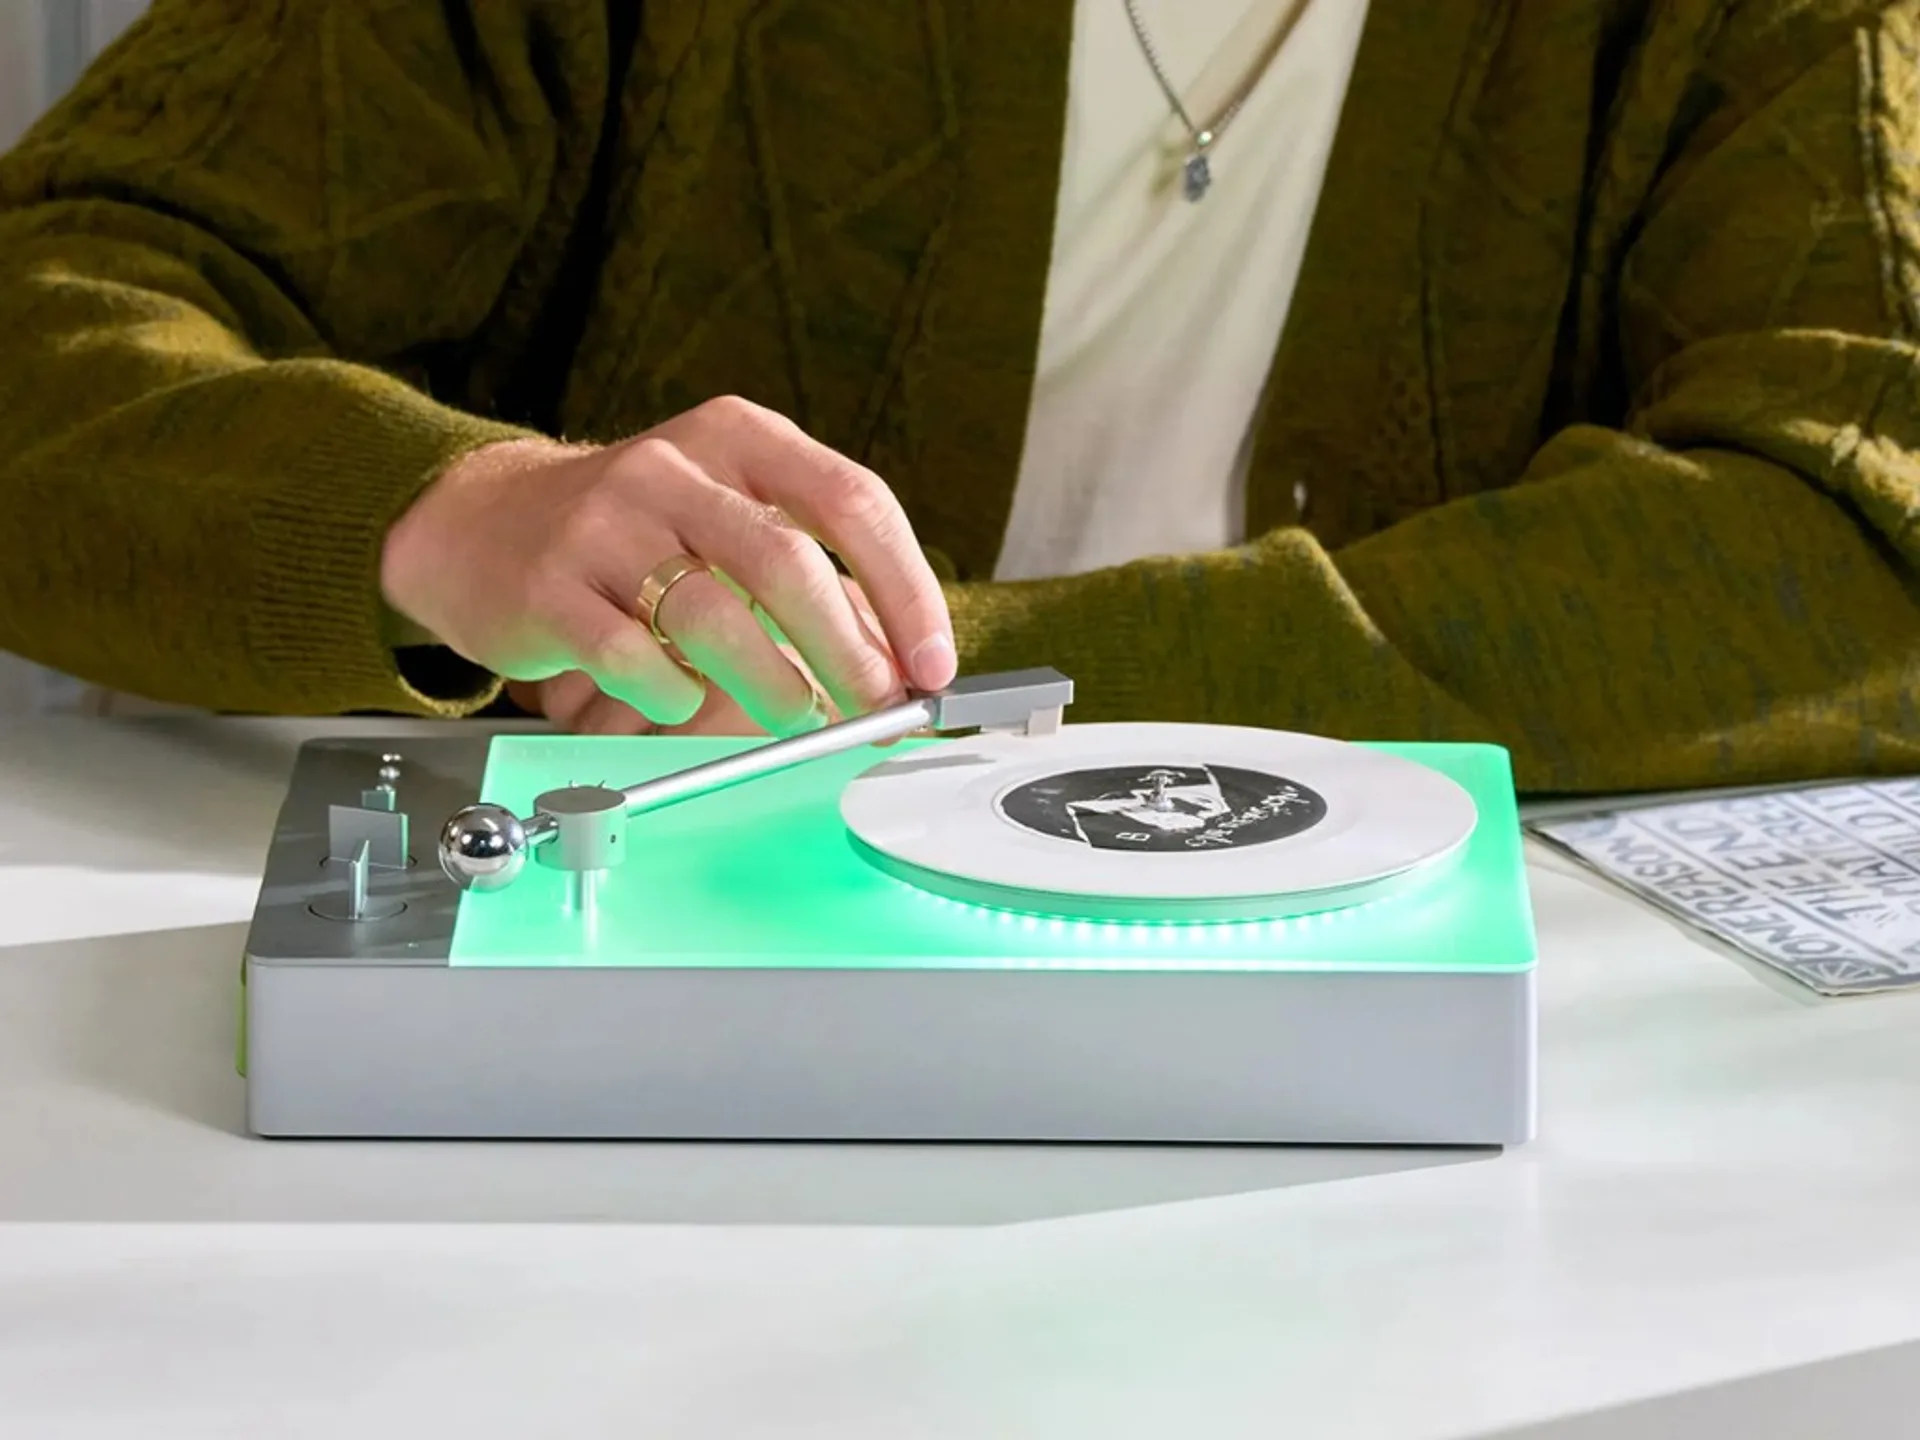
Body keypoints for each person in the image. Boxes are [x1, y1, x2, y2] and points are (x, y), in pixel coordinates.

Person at [0, 0, 1914, 795]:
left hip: (1443, 1121)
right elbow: (51, 298)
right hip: (622, 1047)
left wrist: (963, 683)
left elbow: (1862, 527)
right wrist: (453, 508)